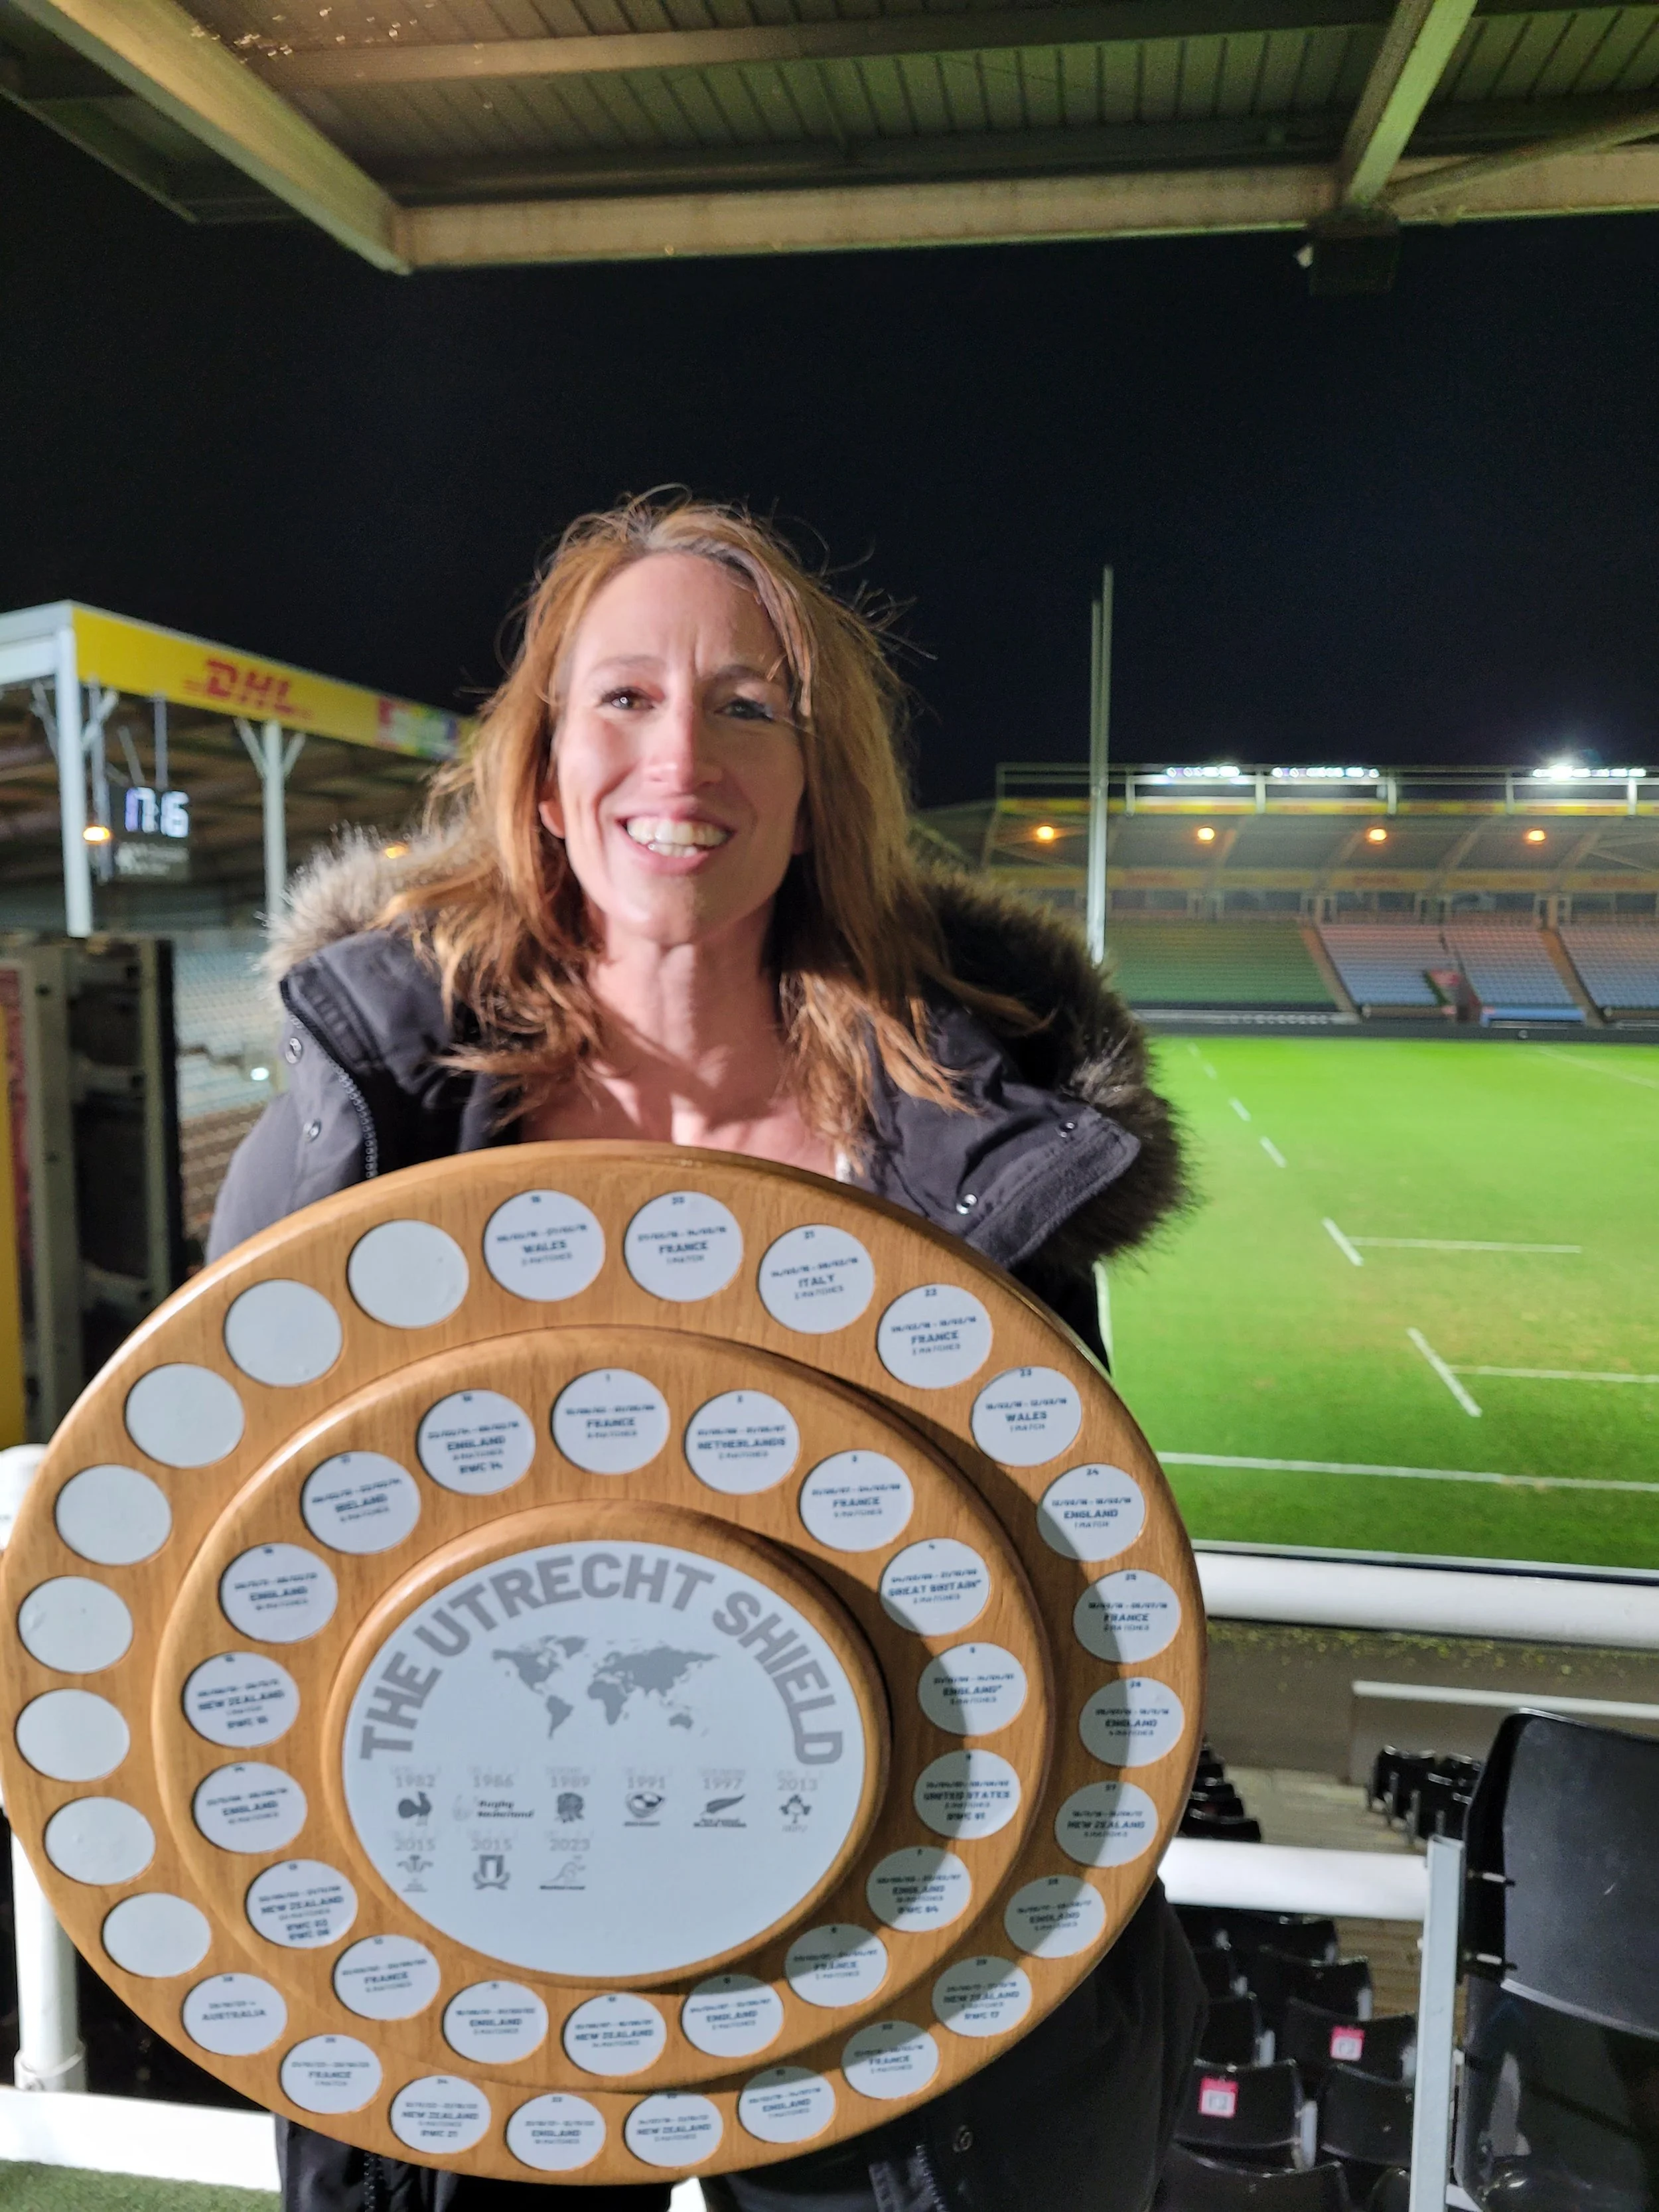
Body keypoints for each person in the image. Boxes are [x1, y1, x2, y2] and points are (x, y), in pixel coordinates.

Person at [210, 495, 1202, 2212]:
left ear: (817, 781)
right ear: (540, 765)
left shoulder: (965, 1135)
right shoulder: (367, 1114)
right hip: (475, 1946)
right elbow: (242, 1539)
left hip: (885, 1948)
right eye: (626, 697)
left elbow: (1060, 1565)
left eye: (750, 704)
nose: (685, 751)